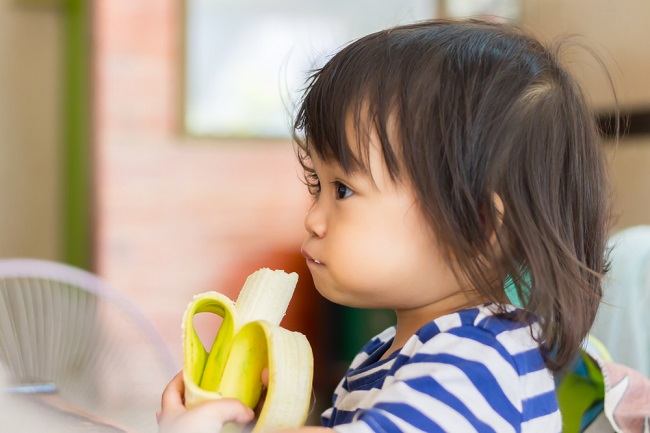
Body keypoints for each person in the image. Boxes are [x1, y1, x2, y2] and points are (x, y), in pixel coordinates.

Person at [159, 18, 614, 433]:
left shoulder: (473, 365)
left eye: (343, 190)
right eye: (317, 184)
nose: (312, 219)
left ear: (478, 226)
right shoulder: (400, 351)